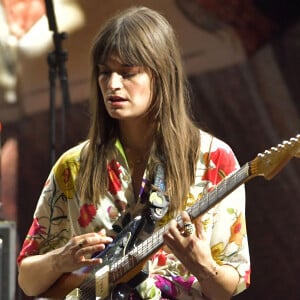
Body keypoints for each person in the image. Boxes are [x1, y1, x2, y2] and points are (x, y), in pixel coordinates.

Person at [17, 6, 250, 300]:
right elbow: (28, 280)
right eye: (104, 73)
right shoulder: (73, 166)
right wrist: (62, 258)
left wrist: (202, 266)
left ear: (161, 75)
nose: (112, 84)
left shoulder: (214, 159)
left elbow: (228, 287)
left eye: (128, 73)